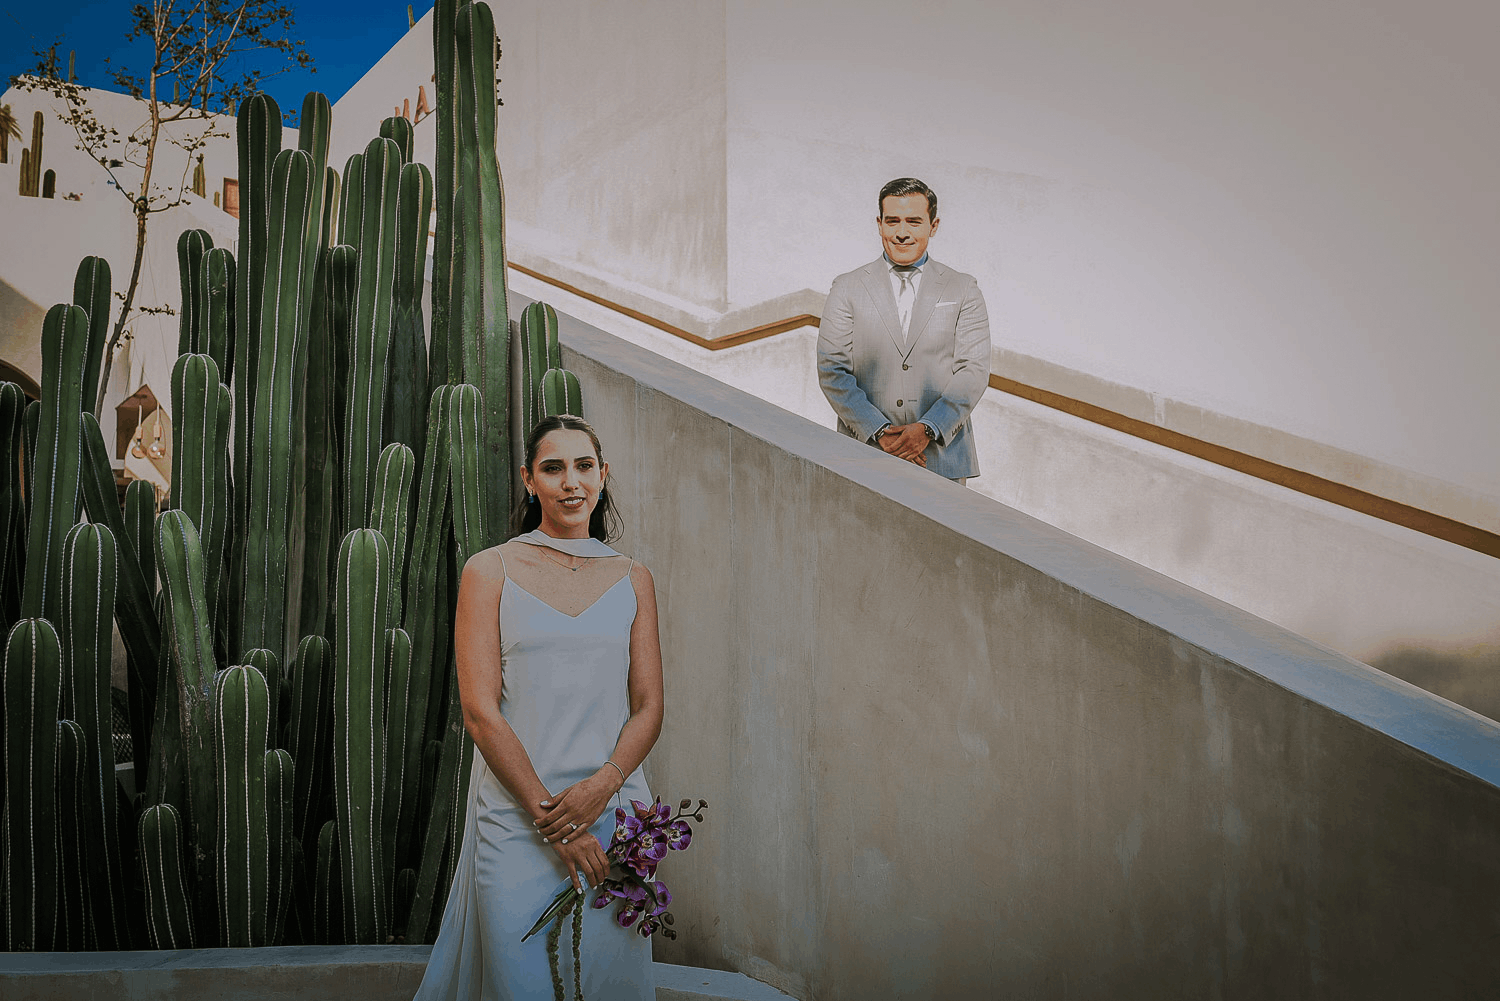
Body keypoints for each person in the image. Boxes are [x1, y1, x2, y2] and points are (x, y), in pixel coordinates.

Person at [414, 414, 663, 1000]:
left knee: (608, 983)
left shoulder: (635, 579)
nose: (570, 482)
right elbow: (480, 712)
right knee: (518, 982)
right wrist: (555, 823)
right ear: (530, 481)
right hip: (517, 818)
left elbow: (649, 706)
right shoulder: (490, 570)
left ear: (603, 476)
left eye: (583, 467)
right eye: (553, 469)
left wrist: (604, 786)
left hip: (612, 816)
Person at [816, 177, 992, 483]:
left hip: (940, 458)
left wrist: (927, 430)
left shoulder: (963, 289)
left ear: (933, 226)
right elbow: (832, 370)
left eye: (913, 221)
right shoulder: (846, 288)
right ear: (879, 224)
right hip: (865, 455)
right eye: (892, 221)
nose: (901, 232)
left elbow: (973, 372)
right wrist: (880, 433)